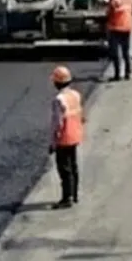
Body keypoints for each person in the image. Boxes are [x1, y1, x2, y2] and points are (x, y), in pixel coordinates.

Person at [49, 66, 84, 209]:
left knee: (64, 168)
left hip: (64, 137)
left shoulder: (58, 99)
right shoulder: (75, 95)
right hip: (75, 134)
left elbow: (57, 123)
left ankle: (66, 197)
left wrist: (52, 142)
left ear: (57, 83)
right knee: (73, 166)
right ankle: (74, 194)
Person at [105, 0, 132, 81]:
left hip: (116, 27)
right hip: (127, 26)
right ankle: (128, 72)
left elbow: (110, 12)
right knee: (125, 51)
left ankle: (117, 74)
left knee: (115, 52)